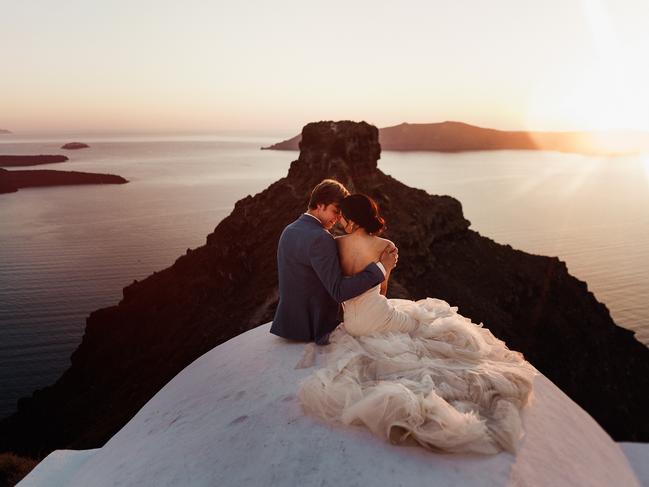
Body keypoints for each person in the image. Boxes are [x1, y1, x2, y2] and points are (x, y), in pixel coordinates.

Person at [298, 193, 536, 455]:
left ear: (352, 218)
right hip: (377, 315)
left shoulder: (335, 243)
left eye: (343, 215)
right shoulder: (384, 245)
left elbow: (339, 283)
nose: (340, 220)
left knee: (414, 321)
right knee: (422, 324)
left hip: (351, 322)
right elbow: (382, 291)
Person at [270, 180, 398, 345]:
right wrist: (381, 267)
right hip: (314, 326)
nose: (338, 218)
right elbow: (338, 291)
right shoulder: (321, 238)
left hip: (289, 323)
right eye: (336, 211)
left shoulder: (288, 230)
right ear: (320, 205)